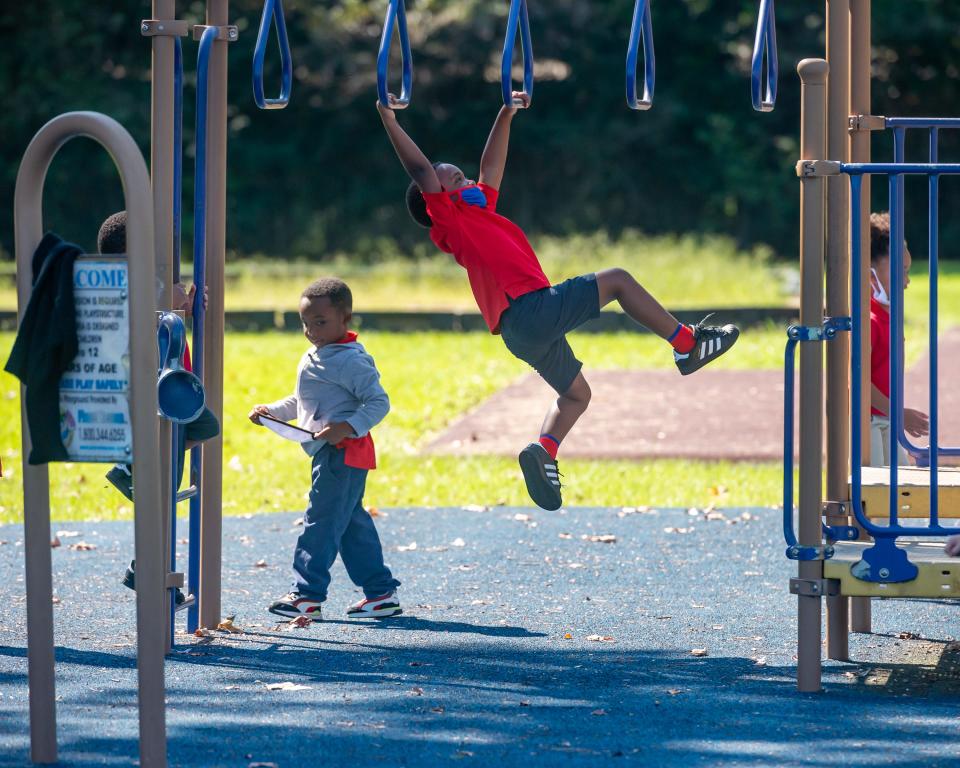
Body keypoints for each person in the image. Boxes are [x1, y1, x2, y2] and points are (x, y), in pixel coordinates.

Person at [376, 92, 740, 510]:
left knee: (577, 396)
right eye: (453, 179)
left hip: (520, 331)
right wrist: (389, 119)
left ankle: (544, 450)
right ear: (434, 199)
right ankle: (687, 346)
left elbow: (491, 166)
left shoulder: (478, 210)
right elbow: (420, 169)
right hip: (532, 309)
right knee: (618, 280)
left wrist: (505, 113)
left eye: (460, 175)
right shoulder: (450, 220)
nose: (463, 179)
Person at [249, 278, 401, 620]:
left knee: (320, 520)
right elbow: (302, 402)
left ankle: (306, 595)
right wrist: (271, 411)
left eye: (320, 322)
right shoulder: (318, 354)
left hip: (344, 453)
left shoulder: (349, 360)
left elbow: (379, 402)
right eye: (305, 323)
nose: (311, 330)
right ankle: (381, 594)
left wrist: (346, 427)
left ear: (345, 319)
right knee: (348, 524)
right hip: (331, 454)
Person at [97, 211, 221, 605]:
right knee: (160, 491)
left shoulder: (144, 285)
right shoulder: (126, 287)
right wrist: (174, 301)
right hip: (151, 398)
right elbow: (148, 317)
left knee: (203, 430)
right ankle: (149, 573)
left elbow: (167, 317)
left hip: (173, 395)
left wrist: (184, 304)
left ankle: (129, 469)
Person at [867, 212, 929, 468]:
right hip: (867, 421)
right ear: (871, 275)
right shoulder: (868, 320)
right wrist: (898, 414)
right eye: (900, 271)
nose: (907, 281)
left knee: (899, 483)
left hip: (885, 418)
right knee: (874, 492)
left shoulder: (886, 316)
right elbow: (856, 382)